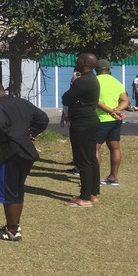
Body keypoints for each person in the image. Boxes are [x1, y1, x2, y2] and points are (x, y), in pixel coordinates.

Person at [0, 82, 50, 241]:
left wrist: (10, 139)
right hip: (26, 152)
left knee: (9, 192)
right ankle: (14, 225)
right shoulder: (22, 102)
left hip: (9, 153)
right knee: (17, 189)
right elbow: (42, 119)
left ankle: (12, 230)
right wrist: (30, 133)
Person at [61, 52, 101, 207]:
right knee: (91, 158)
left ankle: (84, 198)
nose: (76, 62)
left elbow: (66, 98)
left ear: (84, 62)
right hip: (91, 121)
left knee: (82, 159)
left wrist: (73, 82)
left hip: (82, 123)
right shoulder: (92, 79)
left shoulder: (82, 81)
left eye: (78, 60)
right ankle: (92, 193)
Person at [95, 60, 128, 187]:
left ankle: (94, 179)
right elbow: (125, 100)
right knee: (115, 148)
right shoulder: (116, 82)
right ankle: (113, 177)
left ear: (96, 70)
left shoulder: (95, 81)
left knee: (94, 148)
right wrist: (118, 110)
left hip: (101, 119)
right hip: (115, 121)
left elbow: (96, 102)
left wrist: (111, 111)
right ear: (109, 70)